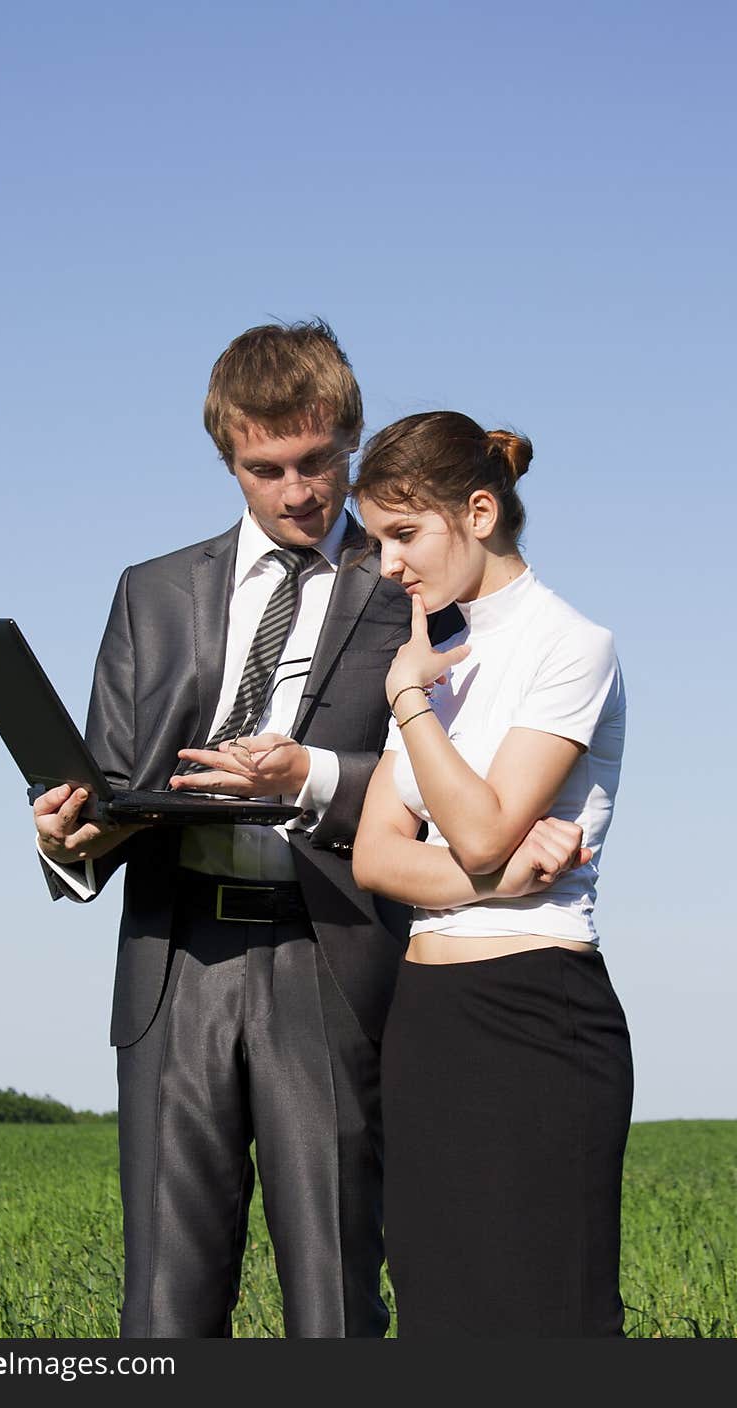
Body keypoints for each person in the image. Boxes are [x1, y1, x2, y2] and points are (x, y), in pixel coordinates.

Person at [31, 328, 587, 1340]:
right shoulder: (149, 593)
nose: (297, 491)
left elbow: (464, 780)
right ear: (228, 461)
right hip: (173, 962)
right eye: (265, 470)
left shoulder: (414, 585)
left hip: (329, 960)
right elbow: (106, 780)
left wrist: (313, 773)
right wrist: (66, 834)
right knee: (161, 1310)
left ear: (350, 440)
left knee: (331, 1306)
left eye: (317, 463)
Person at [351, 411, 633, 1339]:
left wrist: (407, 703)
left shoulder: (571, 646)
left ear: (478, 511)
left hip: (537, 1018)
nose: (389, 565)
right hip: (427, 1026)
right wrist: (495, 881)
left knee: (547, 1322)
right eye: (376, 541)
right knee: (441, 1322)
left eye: (403, 534)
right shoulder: (434, 658)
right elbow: (375, 856)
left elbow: (473, 831)